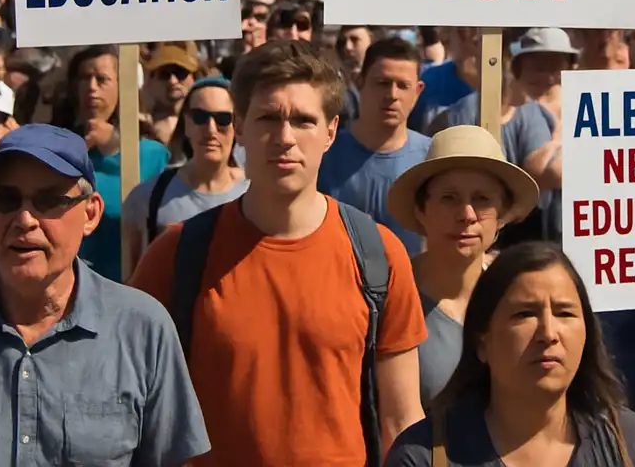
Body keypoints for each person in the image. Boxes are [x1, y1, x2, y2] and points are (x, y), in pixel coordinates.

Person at [130, 39, 426, 467]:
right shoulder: (177, 254)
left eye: (304, 120)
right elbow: (138, 410)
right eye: (268, 117)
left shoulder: (379, 255)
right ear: (240, 127)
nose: (285, 137)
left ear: (330, 132)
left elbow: (401, 422)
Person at [0, 124, 210, 465]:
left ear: (91, 213)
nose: (25, 219)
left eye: (49, 200)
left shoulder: (141, 329)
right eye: (5, 199)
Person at [386, 242, 635, 467]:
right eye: (525, 314)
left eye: (565, 313)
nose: (548, 333)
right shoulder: (423, 456)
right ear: (481, 341)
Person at [386, 124, 541, 407]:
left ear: (502, 215)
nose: (467, 215)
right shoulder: (390, 298)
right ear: (421, 210)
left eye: (482, 200)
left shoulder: (520, 296)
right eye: (449, 198)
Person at [51, 45, 170, 282]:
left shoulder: (151, 154)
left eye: (102, 79)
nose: (92, 87)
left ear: (122, 86)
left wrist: (115, 145)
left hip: (133, 288)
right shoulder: (54, 148)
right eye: (85, 78)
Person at [433, 31, 563, 245]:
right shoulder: (462, 113)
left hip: (511, 235)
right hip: (477, 232)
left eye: (554, 67)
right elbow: (541, 173)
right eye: (537, 68)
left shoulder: (533, 114)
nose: (546, 77)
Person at [121, 77, 248, 277]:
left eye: (223, 119)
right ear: (187, 124)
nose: (211, 129)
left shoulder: (253, 195)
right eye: (200, 117)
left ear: (237, 127)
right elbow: (131, 282)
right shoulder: (147, 198)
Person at [318, 36, 431, 255]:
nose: (392, 95)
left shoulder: (433, 158)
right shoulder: (323, 153)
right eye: (383, 83)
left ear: (417, 91)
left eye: (403, 86)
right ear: (359, 82)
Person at [142, 42, 199, 148]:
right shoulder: (139, 126)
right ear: (151, 81)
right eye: (164, 74)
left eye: (180, 73)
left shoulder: (207, 120)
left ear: (194, 77)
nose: (173, 81)